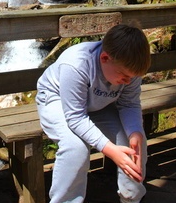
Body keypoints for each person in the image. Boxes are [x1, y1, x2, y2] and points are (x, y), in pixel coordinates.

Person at [36, 24, 151, 203]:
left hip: (96, 104)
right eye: (124, 77)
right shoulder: (77, 64)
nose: (128, 82)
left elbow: (129, 104)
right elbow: (75, 118)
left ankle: (132, 198)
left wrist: (135, 131)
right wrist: (110, 150)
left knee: (134, 142)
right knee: (75, 148)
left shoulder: (128, 69)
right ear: (105, 58)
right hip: (56, 99)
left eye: (132, 78)